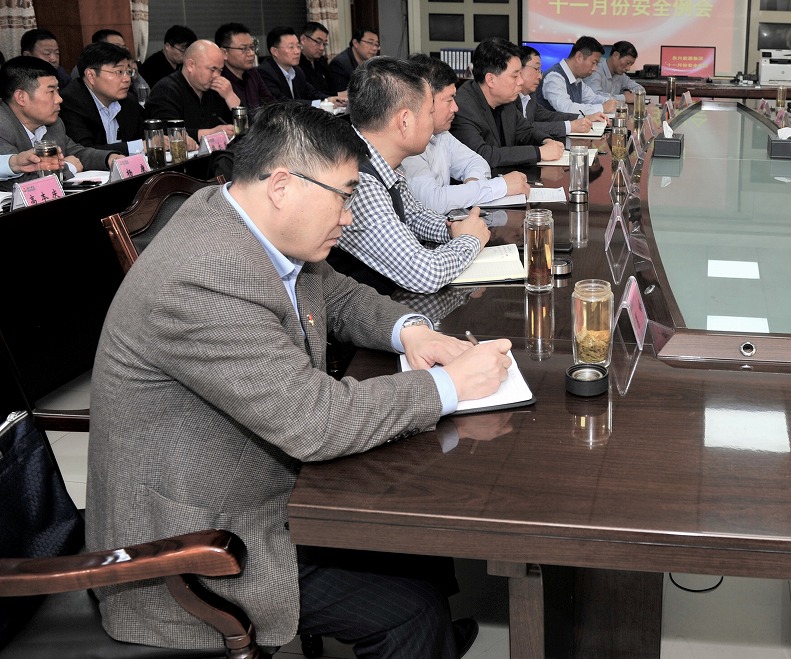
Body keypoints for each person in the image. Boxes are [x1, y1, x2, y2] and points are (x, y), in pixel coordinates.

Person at [85, 101, 511, 657]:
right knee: (407, 605)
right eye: (346, 196)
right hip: (199, 540)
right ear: (283, 185)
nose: (350, 218)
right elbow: (315, 421)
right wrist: (450, 386)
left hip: (255, 474)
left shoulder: (246, 218)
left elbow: (338, 295)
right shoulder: (202, 278)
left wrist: (410, 331)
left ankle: (434, 643)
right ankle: (424, 635)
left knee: (417, 537)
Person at [328, 56, 490, 294]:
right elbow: (425, 273)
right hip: (371, 309)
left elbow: (413, 216)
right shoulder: (360, 182)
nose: (433, 121)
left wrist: (453, 228)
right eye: (430, 112)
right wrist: (470, 239)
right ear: (404, 121)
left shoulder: (382, 160)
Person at [401, 54, 530, 213]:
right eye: (449, 100)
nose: (455, 108)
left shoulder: (442, 134)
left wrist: (473, 190)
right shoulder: (406, 144)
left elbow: (477, 162)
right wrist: (500, 186)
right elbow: (432, 201)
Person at [0, 56, 118, 187]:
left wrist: (109, 158)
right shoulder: (2, 125)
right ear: (21, 97)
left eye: (58, 90)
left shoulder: (54, 124)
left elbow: (76, 152)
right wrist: (69, 167)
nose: (59, 99)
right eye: (51, 91)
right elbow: (13, 183)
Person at [451, 38, 565, 169]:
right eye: (515, 76)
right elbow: (482, 155)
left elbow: (525, 130)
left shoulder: (506, 100)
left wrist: (546, 141)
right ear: (490, 80)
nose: (521, 82)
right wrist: (539, 152)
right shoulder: (462, 108)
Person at [58, 41, 147, 155]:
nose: (127, 79)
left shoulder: (128, 101)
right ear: (91, 75)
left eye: (128, 72)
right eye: (119, 72)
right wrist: (137, 146)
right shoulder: (70, 102)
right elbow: (83, 151)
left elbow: (143, 135)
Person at [145, 40, 240, 142]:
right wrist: (212, 133)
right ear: (190, 65)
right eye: (212, 69)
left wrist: (230, 96)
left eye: (220, 70)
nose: (217, 75)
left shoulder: (217, 89)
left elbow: (248, 129)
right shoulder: (166, 89)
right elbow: (166, 133)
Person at [516, 46, 599, 138]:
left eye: (540, 70)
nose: (540, 76)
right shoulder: (509, 100)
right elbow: (522, 128)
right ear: (518, 69)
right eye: (536, 69)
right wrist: (570, 126)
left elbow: (548, 116)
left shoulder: (530, 96)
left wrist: (582, 117)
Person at [533, 35, 617, 116]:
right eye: (593, 63)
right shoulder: (554, 77)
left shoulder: (577, 79)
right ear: (579, 57)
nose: (595, 68)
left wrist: (609, 102)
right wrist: (602, 108)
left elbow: (592, 98)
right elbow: (566, 108)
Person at [256, 26, 339, 106]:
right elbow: (281, 102)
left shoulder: (297, 71)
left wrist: (329, 99)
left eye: (298, 46)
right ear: (275, 51)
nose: (297, 52)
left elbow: (311, 93)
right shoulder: (264, 73)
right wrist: (318, 104)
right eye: (291, 47)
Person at [215, 22, 274, 109]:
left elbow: (271, 105)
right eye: (244, 48)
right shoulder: (219, 81)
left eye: (252, 47)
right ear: (224, 53)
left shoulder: (253, 73)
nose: (251, 53)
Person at [138, 24, 196, 88]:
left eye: (188, 51)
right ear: (167, 46)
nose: (186, 55)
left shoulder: (184, 65)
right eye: (182, 50)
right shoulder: (152, 66)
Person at [328, 27, 380, 93]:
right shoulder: (339, 65)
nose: (374, 48)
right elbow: (341, 95)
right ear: (355, 43)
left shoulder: (372, 63)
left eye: (376, 44)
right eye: (370, 43)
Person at [299, 21, 334, 98]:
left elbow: (330, 87)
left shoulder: (321, 62)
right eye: (318, 42)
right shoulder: (296, 64)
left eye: (324, 44)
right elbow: (310, 94)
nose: (322, 48)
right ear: (303, 40)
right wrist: (336, 95)